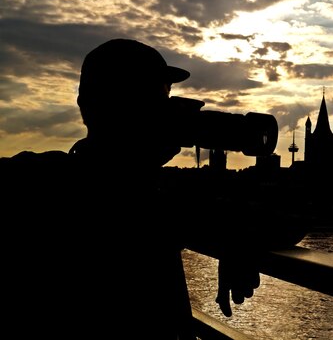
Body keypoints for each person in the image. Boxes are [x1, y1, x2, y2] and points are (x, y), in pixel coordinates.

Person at [1, 38, 303, 339]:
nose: (165, 114)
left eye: (165, 98)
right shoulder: (142, 202)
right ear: (99, 105)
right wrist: (237, 237)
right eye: (149, 100)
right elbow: (287, 220)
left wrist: (236, 237)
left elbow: (281, 222)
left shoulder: (144, 196)